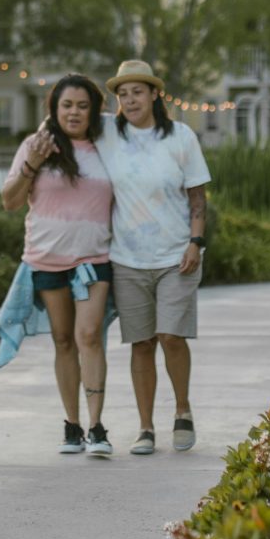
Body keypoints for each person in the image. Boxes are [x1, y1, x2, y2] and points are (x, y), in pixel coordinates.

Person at [97, 60, 211, 456]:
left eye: (137, 92)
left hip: (176, 254)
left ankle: (182, 410)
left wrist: (196, 241)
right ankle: (145, 427)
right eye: (123, 94)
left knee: (171, 335)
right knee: (141, 343)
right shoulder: (109, 134)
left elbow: (198, 197)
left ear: (154, 94)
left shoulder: (180, 136)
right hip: (126, 259)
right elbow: (66, 122)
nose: (130, 100)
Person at [0, 73, 115, 457]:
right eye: (67, 105)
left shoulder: (107, 146)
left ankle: (97, 426)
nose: (75, 112)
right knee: (63, 340)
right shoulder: (36, 146)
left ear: (94, 110)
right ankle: (72, 425)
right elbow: (10, 201)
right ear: (54, 108)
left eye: (83, 105)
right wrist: (31, 163)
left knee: (89, 336)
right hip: (47, 259)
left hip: (94, 258)